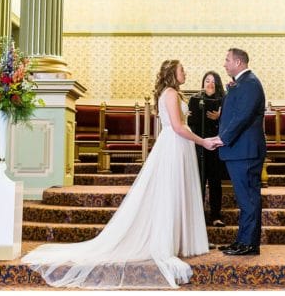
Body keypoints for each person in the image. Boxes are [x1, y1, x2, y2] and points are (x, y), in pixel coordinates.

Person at [23, 60, 214, 288]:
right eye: (182, 69)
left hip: (178, 146)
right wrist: (203, 141)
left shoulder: (173, 93)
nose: (186, 72)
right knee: (169, 194)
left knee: (174, 193)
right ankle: (165, 242)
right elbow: (177, 126)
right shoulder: (171, 93)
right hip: (174, 145)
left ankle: (175, 239)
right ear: (173, 73)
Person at [212, 48, 267, 256]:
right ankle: (243, 241)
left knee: (248, 200)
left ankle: (249, 244)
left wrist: (222, 138)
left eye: (227, 60)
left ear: (238, 62)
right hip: (239, 151)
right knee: (245, 200)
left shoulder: (250, 83)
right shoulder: (241, 83)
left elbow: (242, 117)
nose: (224, 64)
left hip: (245, 151)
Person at [188, 71, 226, 227]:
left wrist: (219, 118)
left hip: (216, 146)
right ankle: (198, 216)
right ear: (203, 84)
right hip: (200, 145)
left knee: (215, 182)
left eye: (213, 81)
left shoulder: (223, 101)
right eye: (207, 81)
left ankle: (216, 215)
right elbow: (190, 123)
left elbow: (230, 124)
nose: (210, 84)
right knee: (200, 181)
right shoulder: (195, 99)